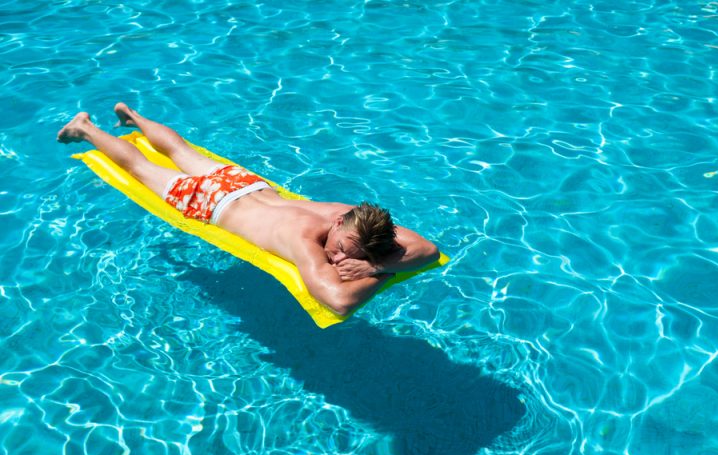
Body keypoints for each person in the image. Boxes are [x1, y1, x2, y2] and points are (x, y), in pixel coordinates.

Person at [57, 104, 440, 315]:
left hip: (246, 183)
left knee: (181, 150)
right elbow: (338, 303)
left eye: (349, 255)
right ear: (339, 222)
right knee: (139, 167)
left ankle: (132, 117)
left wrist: (371, 262)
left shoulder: (351, 214)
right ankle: (86, 128)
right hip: (207, 200)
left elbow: (428, 249)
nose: (337, 257)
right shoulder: (305, 241)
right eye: (341, 247)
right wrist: (380, 271)